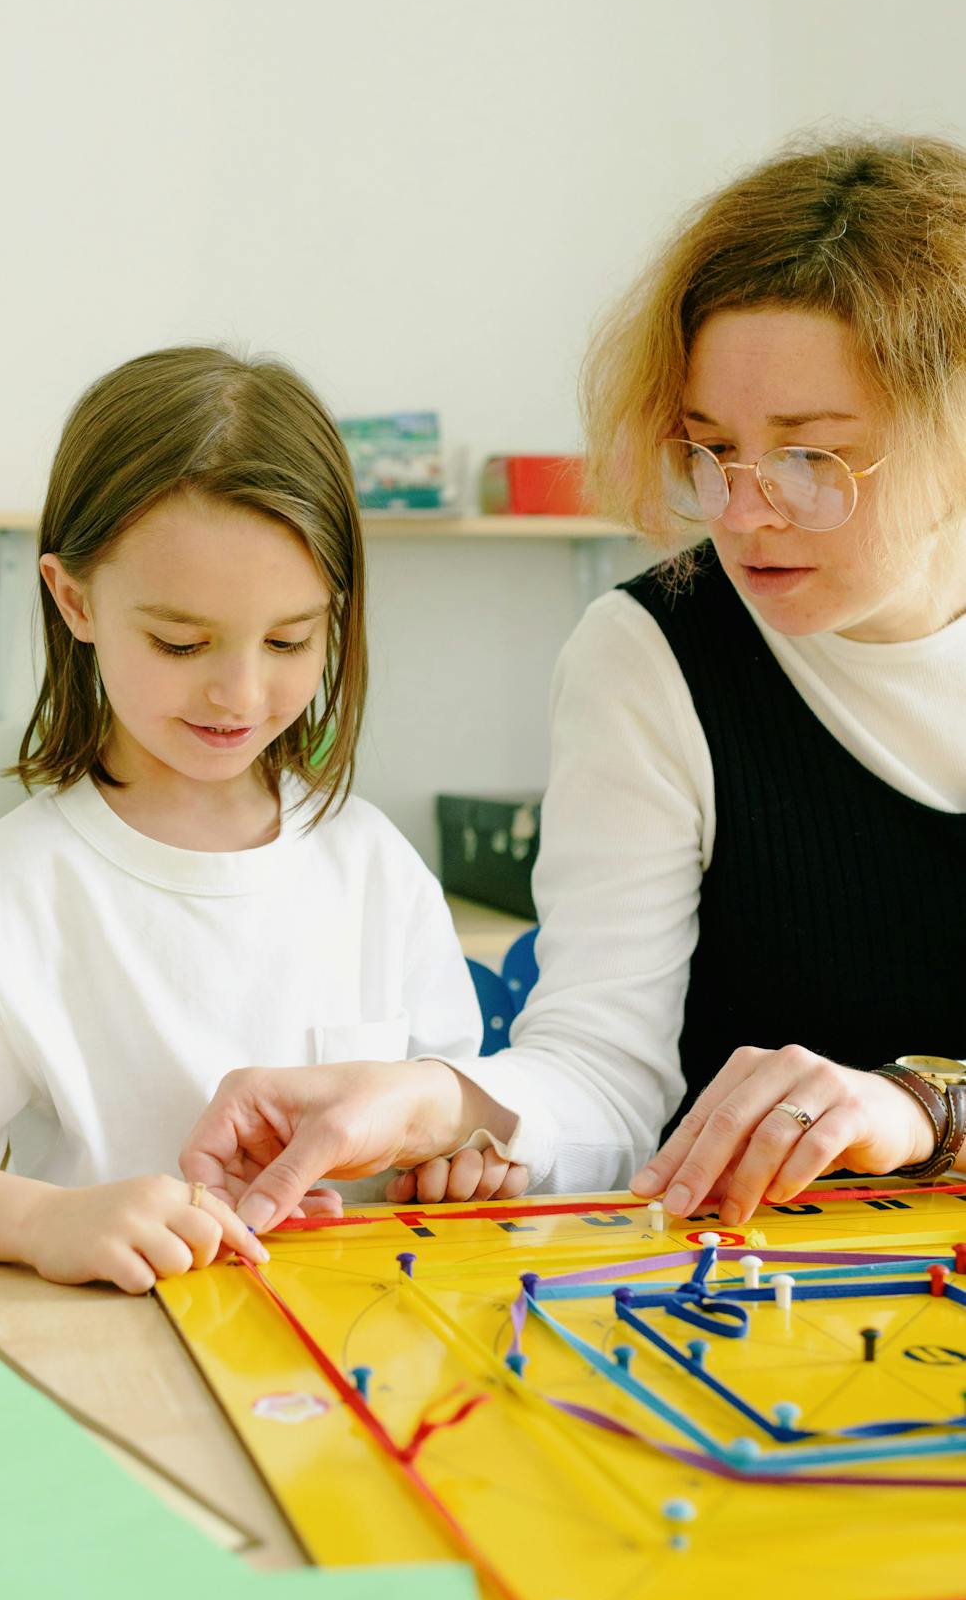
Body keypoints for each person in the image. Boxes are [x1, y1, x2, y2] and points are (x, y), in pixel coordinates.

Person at [182, 136, 966, 1234]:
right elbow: (604, 1071)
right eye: (707, 450)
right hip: (766, 1302)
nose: (739, 513)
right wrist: (436, 1099)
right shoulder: (648, 655)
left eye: (808, 458)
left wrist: (917, 1105)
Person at [0, 345, 481, 1289]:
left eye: (289, 639)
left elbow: (453, 1108)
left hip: (350, 1357)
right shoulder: (18, 890)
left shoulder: (372, 866)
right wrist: (44, 1220)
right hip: (115, 1350)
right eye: (179, 640)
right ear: (74, 600)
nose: (237, 691)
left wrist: (456, 1162)